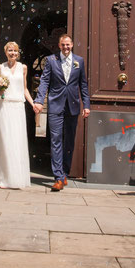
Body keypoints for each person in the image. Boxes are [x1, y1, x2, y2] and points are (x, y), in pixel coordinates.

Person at [33, 34, 90, 191]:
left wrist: (86, 105)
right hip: (55, 105)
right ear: (59, 46)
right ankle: (58, 176)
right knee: (56, 140)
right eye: (63, 45)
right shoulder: (52, 61)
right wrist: (39, 100)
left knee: (69, 141)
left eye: (68, 45)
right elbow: (44, 81)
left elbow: (83, 85)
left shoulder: (79, 61)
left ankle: (64, 172)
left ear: (72, 45)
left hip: (73, 106)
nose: (66, 47)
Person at [0, 41, 34, 189]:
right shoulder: (0, 67)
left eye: (15, 51)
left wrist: (33, 104)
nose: (12, 53)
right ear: (5, 52)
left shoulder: (23, 68)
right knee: (4, 140)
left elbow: (24, 88)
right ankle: (3, 178)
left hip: (17, 106)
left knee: (16, 140)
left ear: (18, 52)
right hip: (3, 105)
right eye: (10, 50)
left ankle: (17, 177)